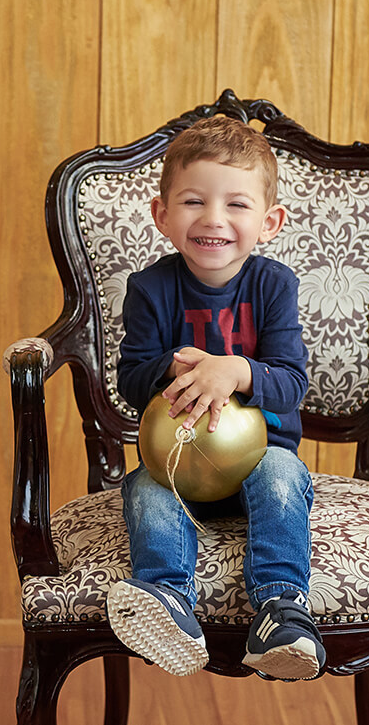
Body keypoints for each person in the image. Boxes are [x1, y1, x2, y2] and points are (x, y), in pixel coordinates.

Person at [105, 115, 324, 681]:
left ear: (270, 222)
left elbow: (292, 383)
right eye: (194, 201)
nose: (213, 219)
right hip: (176, 460)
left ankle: (281, 610)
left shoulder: (274, 286)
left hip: (260, 453)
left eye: (237, 205)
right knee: (145, 491)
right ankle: (167, 602)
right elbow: (129, 384)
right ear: (163, 215)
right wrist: (170, 367)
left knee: (281, 477)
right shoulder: (150, 289)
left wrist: (236, 371)